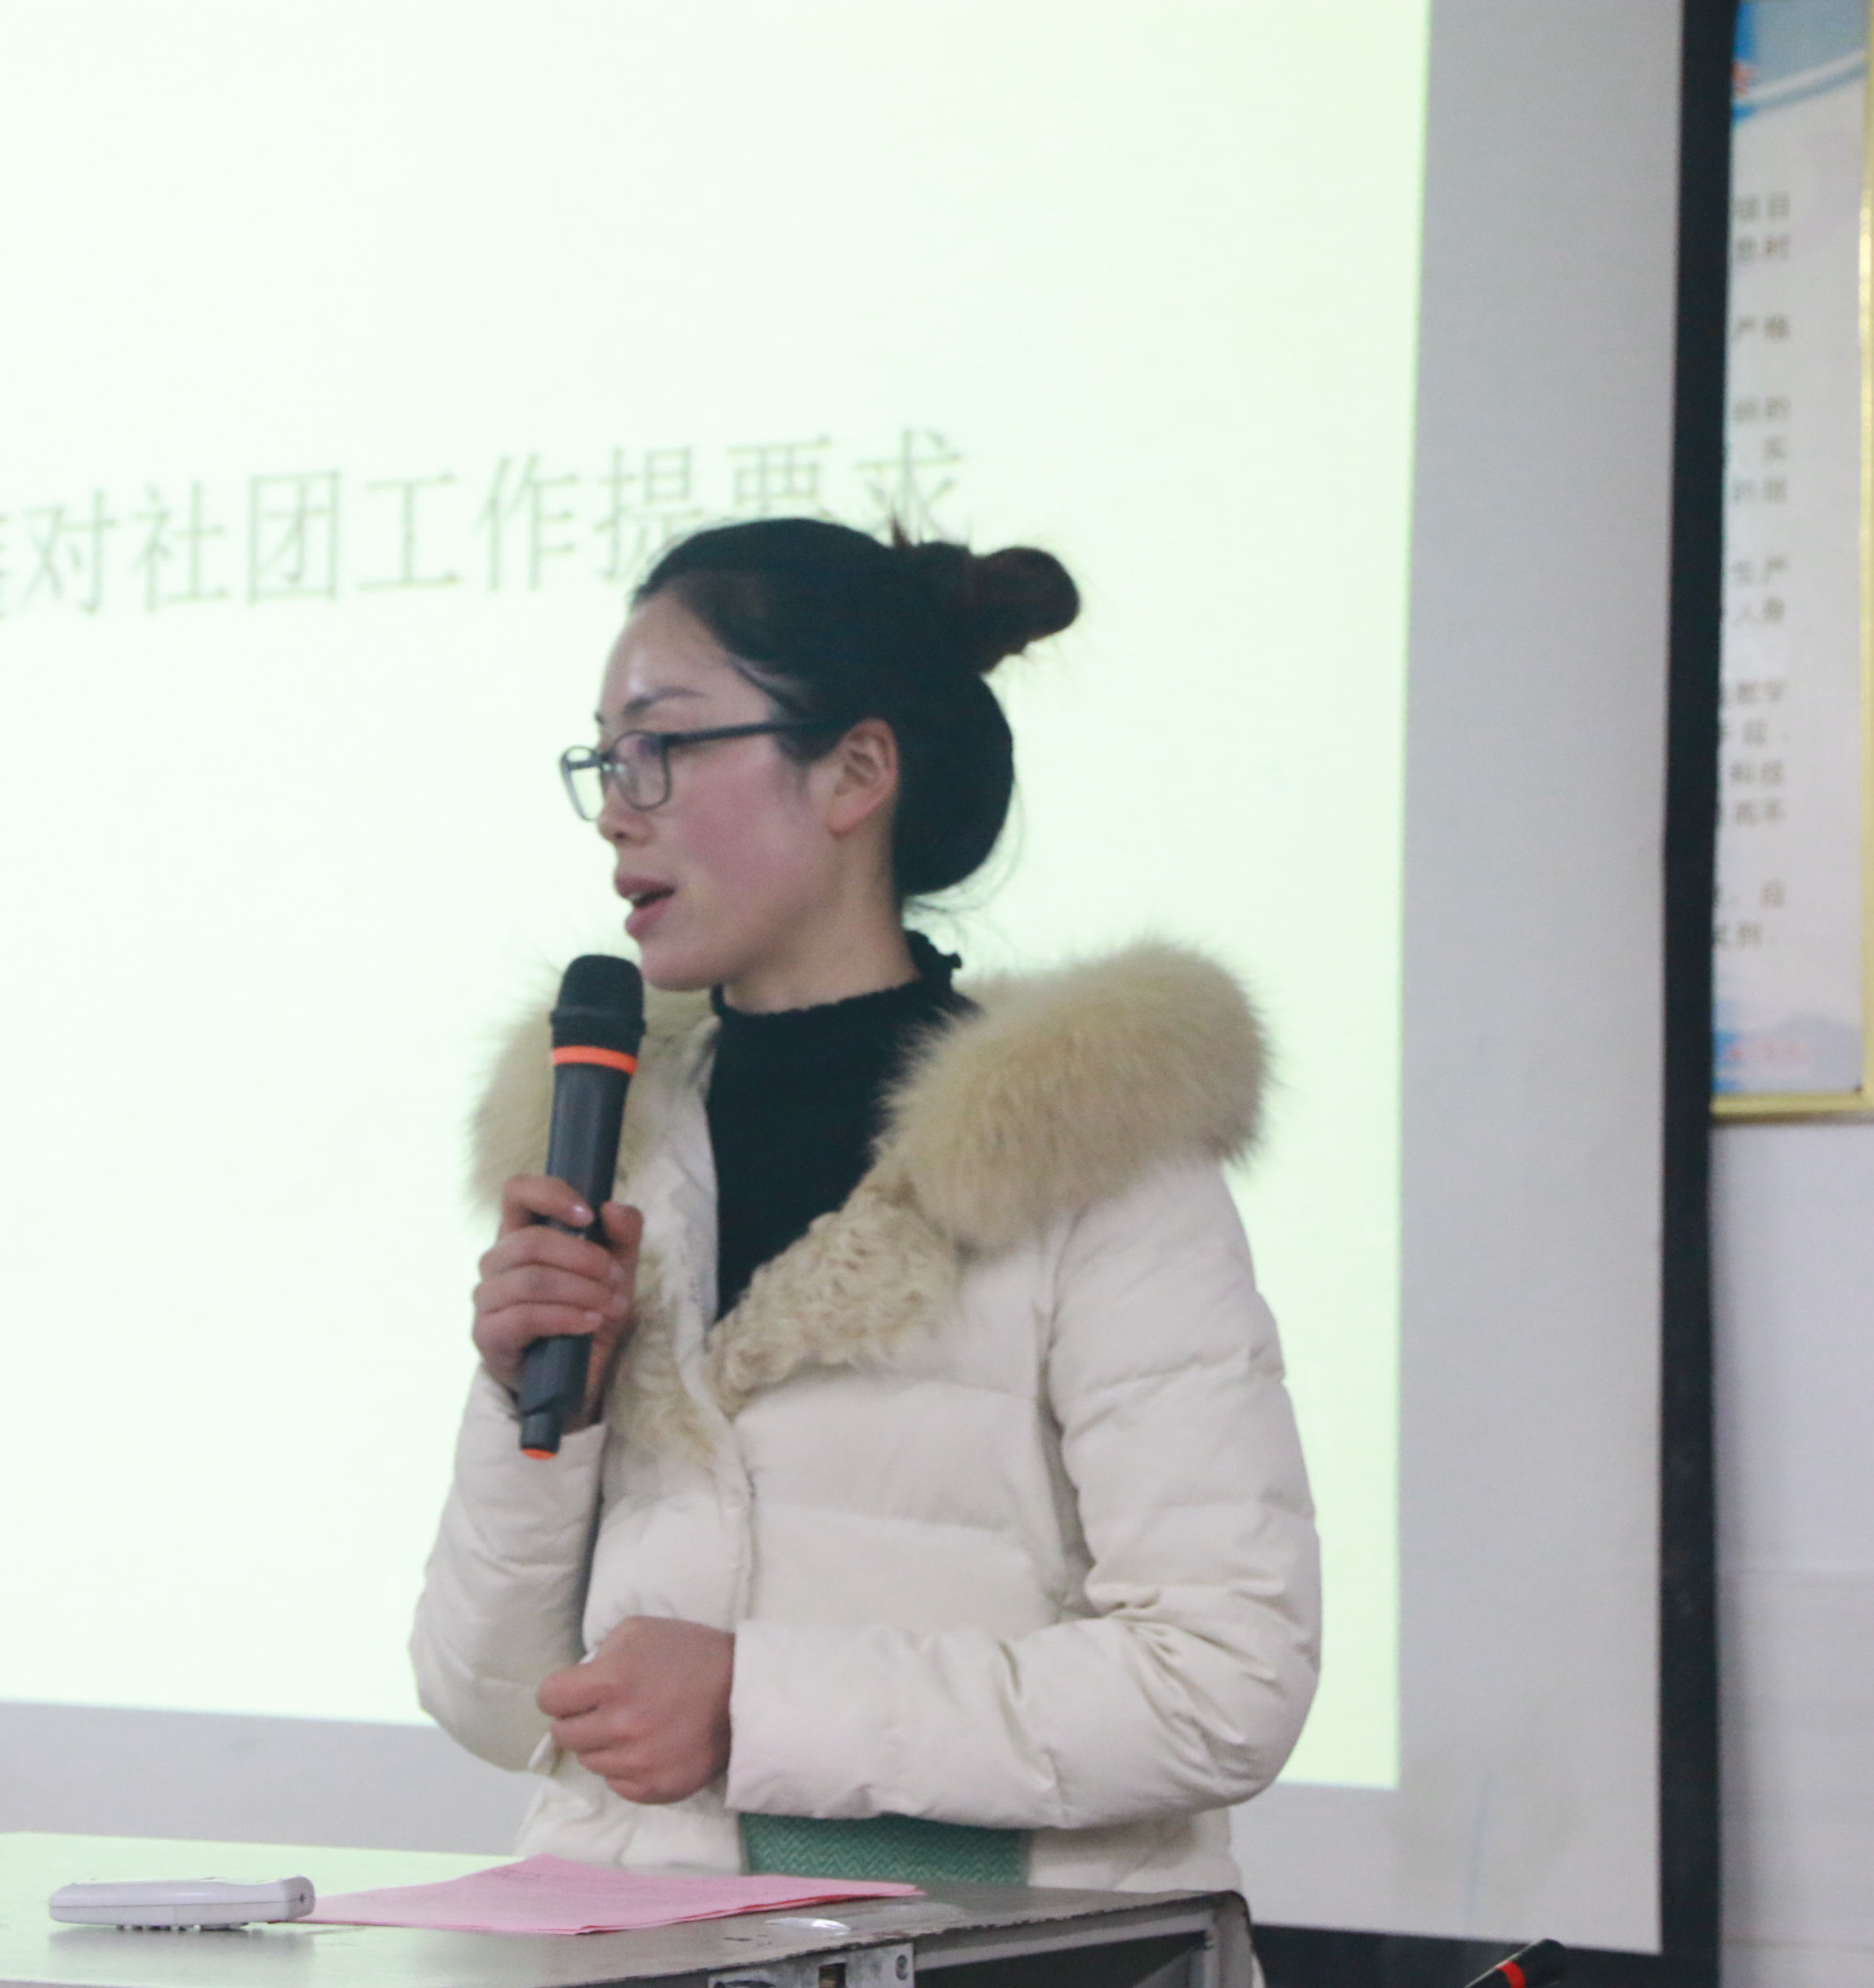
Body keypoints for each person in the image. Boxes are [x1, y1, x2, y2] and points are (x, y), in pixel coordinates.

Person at [409, 516, 1317, 1893]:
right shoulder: (617, 1147)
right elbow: (489, 1704)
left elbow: (1223, 1682)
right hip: (628, 1946)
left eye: (662, 745)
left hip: (988, 1962)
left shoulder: (1088, 1144)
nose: (617, 807)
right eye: (605, 759)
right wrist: (539, 1411)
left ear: (855, 772)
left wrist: (752, 1701)